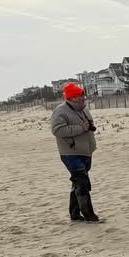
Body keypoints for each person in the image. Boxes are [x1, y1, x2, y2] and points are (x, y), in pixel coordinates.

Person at [50, 81, 103, 223]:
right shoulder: (60, 111)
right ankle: (89, 215)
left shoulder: (83, 109)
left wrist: (89, 127)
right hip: (70, 153)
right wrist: (80, 128)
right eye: (79, 95)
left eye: (82, 94)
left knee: (78, 183)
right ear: (71, 97)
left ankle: (74, 214)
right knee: (82, 183)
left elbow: (87, 124)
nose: (83, 97)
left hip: (86, 151)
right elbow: (57, 130)